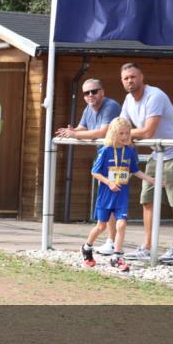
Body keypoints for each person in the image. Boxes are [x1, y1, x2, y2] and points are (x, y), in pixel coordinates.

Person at [119, 62, 173, 263]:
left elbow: (147, 131)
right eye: (126, 78)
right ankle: (148, 247)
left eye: (133, 76)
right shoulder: (128, 100)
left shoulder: (155, 95)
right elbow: (122, 126)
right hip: (156, 152)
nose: (130, 81)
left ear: (142, 77)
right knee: (147, 199)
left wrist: (121, 134)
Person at [56, 78, 123, 254]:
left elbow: (102, 132)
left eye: (94, 91)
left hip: (118, 159)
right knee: (108, 200)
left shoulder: (110, 106)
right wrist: (70, 131)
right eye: (86, 93)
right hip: (105, 157)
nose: (90, 95)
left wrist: (75, 134)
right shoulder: (88, 108)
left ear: (102, 91)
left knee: (114, 202)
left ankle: (114, 243)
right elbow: (81, 127)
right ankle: (112, 242)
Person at [81, 117, 155, 269]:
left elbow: (135, 170)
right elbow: (94, 172)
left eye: (127, 133)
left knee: (121, 225)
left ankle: (117, 256)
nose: (124, 137)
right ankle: (87, 248)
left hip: (121, 195)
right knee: (101, 226)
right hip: (106, 195)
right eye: (120, 133)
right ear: (113, 133)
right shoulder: (105, 150)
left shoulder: (129, 151)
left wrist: (152, 180)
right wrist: (109, 183)